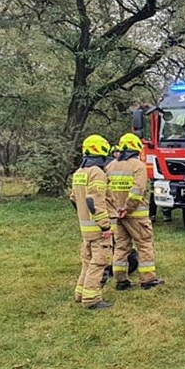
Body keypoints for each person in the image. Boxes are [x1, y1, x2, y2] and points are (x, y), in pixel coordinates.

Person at [106, 133, 164, 290]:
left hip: (117, 215)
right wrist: (127, 208)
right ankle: (148, 280)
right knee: (144, 244)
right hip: (135, 214)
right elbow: (137, 190)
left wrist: (116, 210)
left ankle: (121, 280)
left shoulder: (110, 166)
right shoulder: (138, 166)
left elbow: (106, 192)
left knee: (121, 246)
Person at [69, 134, 114, 310]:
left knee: (87, 261)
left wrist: (84, 217)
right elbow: (94, 201)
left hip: (85, 227)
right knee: (99, 261)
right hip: (97, 227)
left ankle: (80, 293)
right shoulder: (97, 173)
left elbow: (73, 198)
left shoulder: (79, 173)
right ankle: (91, 299)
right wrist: (105, 226)